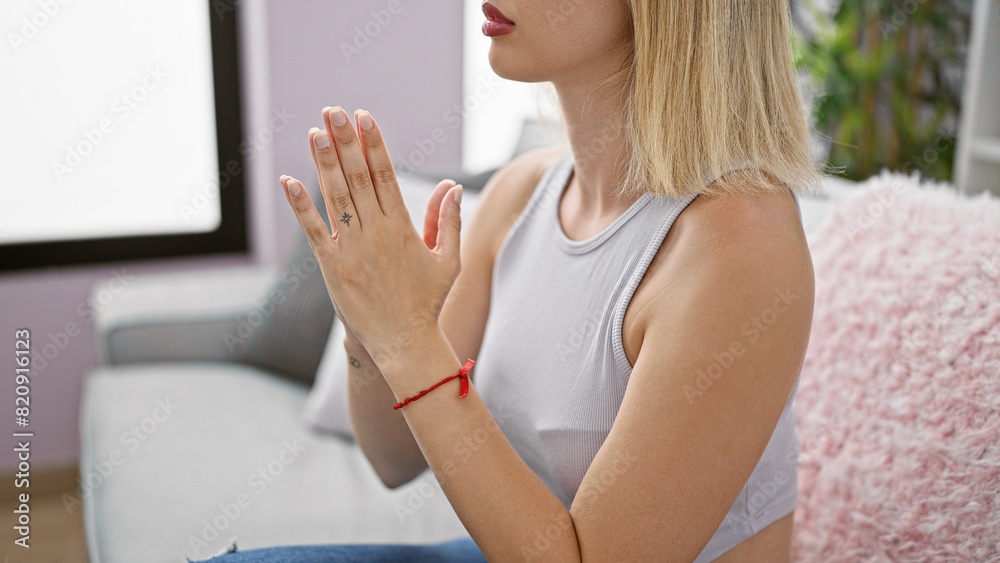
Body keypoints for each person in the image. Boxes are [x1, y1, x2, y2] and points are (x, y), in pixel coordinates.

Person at [209, 0, 817, 561]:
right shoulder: (520, 195)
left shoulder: (741, 242)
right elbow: (391, 456)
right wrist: (367, 323)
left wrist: (410, 338)